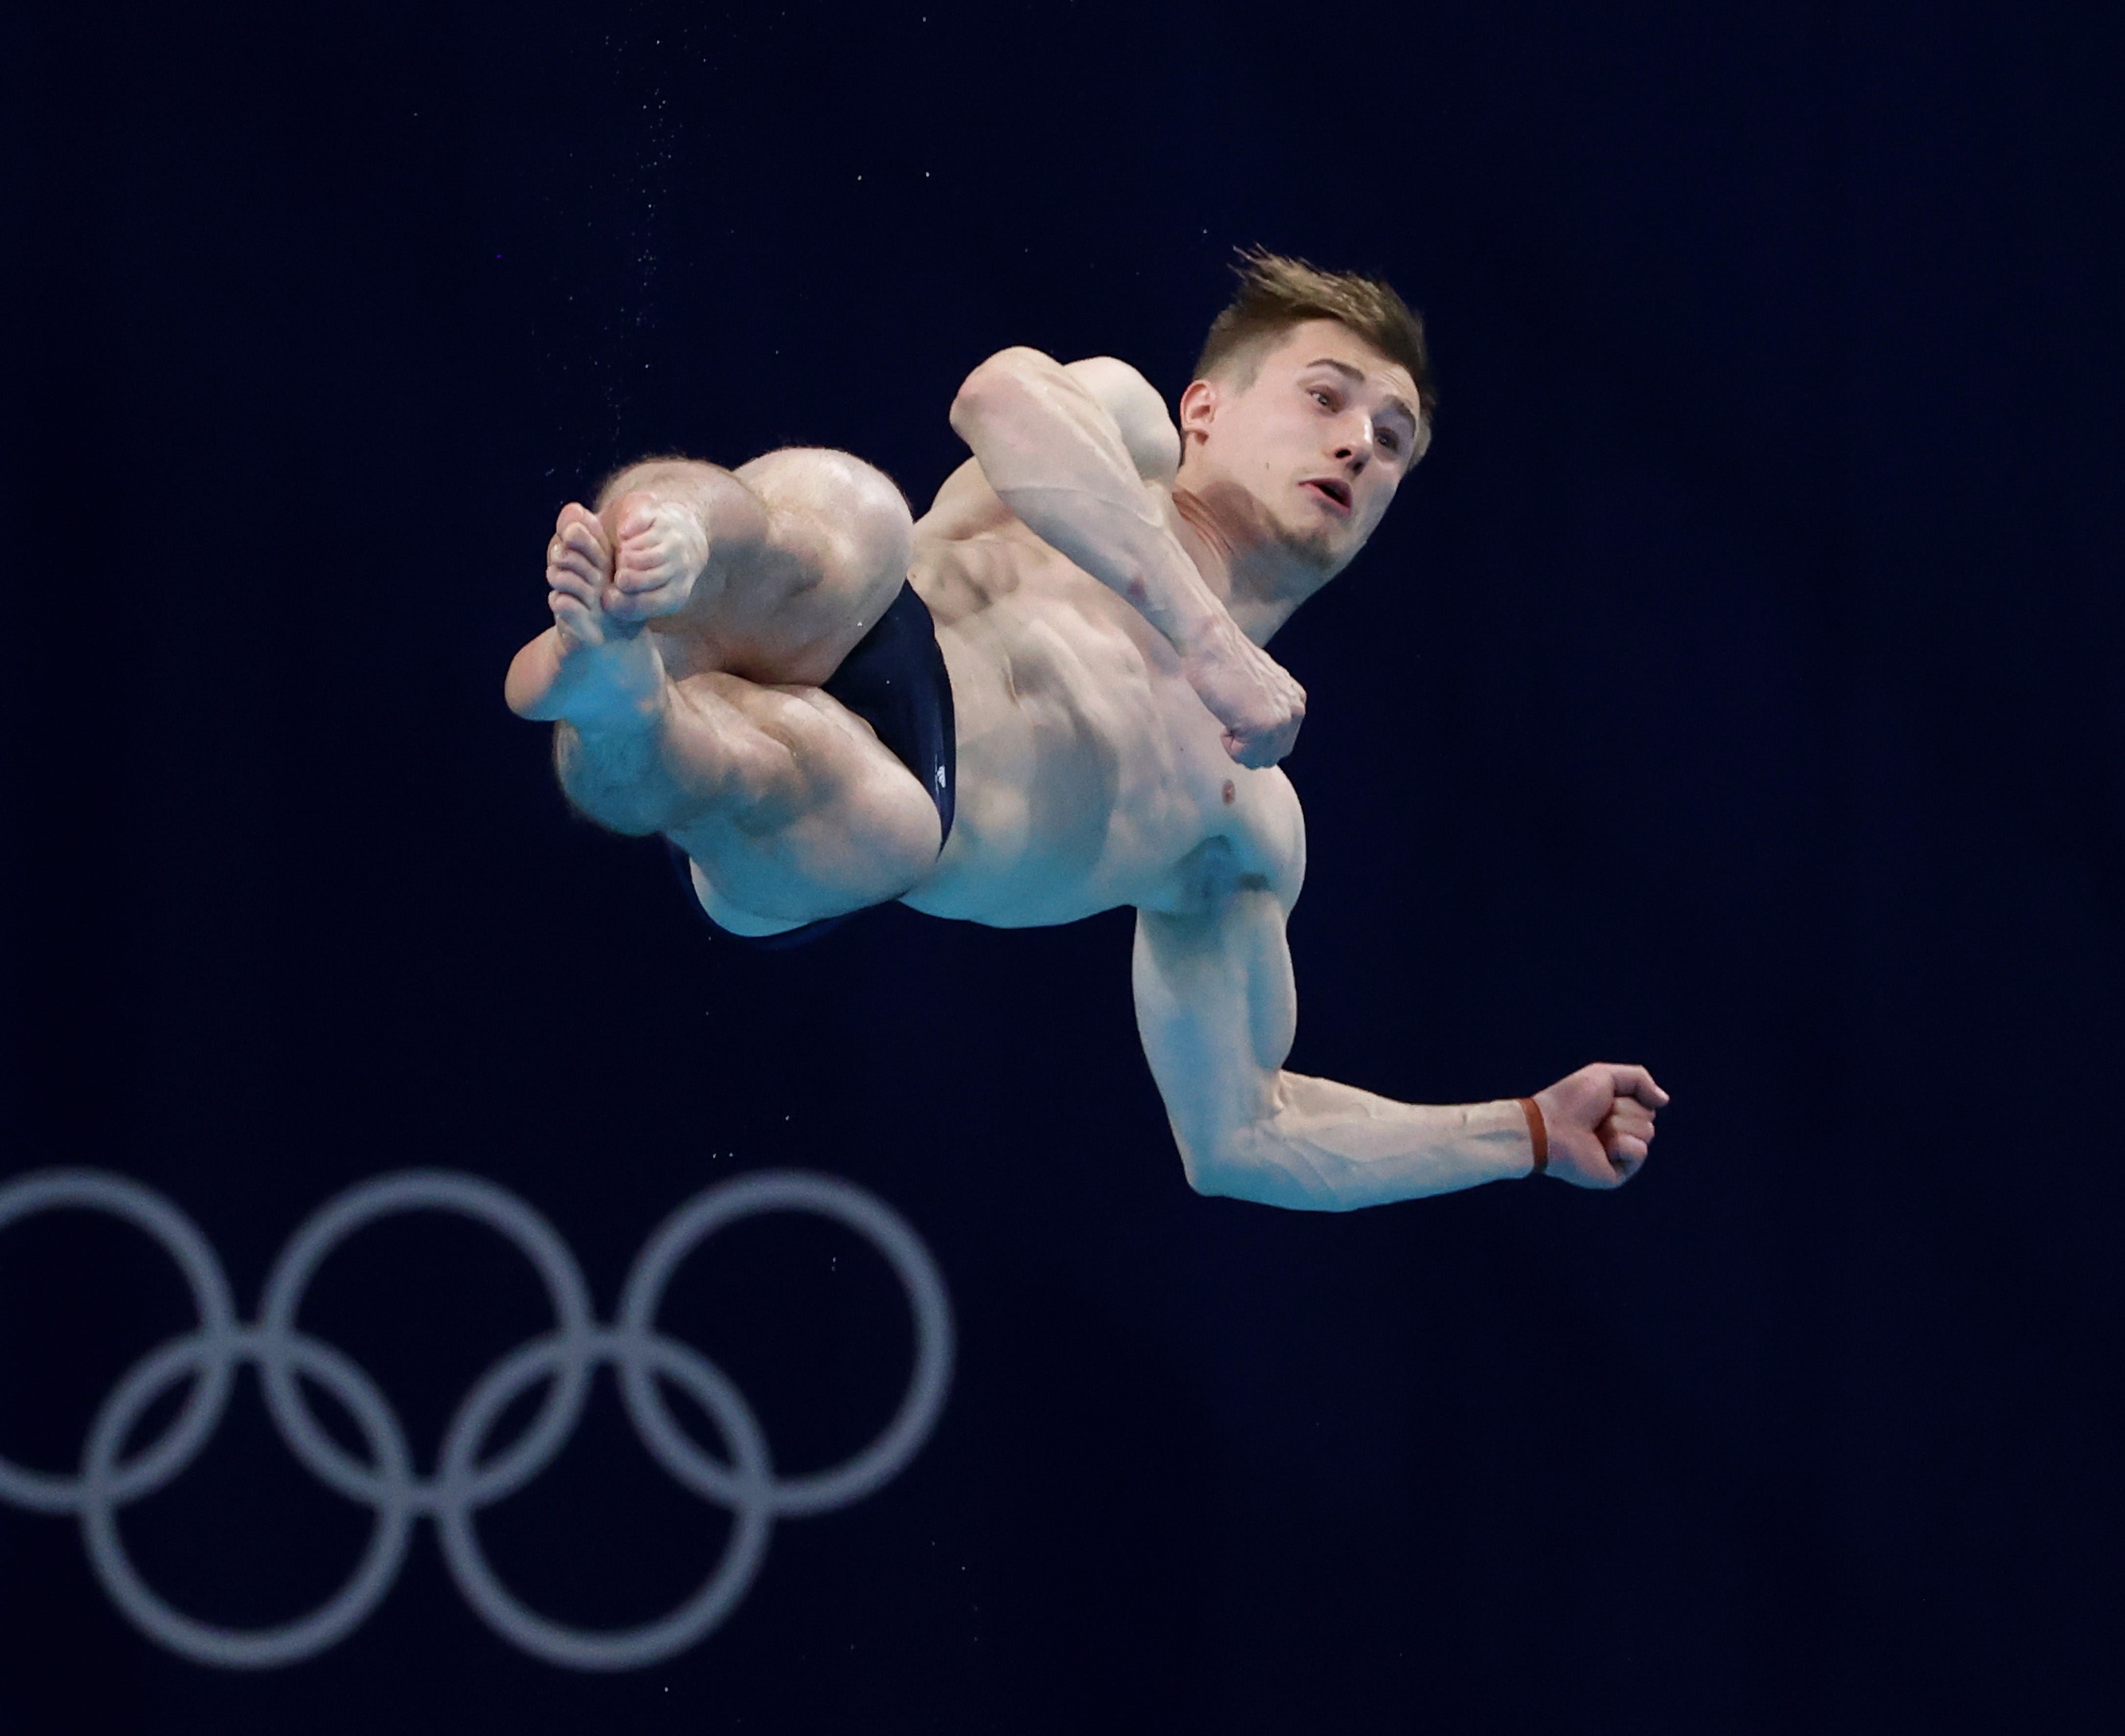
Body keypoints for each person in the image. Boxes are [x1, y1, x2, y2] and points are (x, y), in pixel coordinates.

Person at [503, 251, 1666, 1210]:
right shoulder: (1119, 431)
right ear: (1204, 409)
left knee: (877, 818)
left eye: (1394, 438)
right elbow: (995, 397)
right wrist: (1212, 646)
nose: (1361, 442)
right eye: (1327, 396)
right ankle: (660, 549)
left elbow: (1245, 1136)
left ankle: (619, 693)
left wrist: (1521, 1133)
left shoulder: (1247, 824)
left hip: (852, 817)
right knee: (849, 516)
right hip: (850, 611)